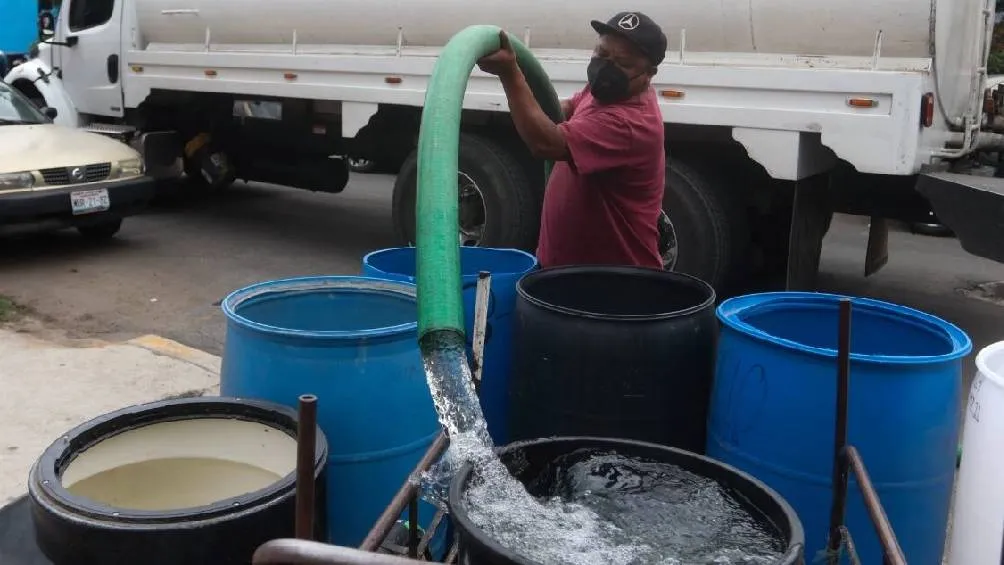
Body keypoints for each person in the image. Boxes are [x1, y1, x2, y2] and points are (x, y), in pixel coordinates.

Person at [477, 12, 668, 269]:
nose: (607, 67)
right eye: (602, 53)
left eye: (623, 62)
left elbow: (546, 144)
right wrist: (524, 81)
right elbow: (561, 110)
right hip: (570, 271)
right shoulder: (605, 91)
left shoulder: (630, 123)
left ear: (649, 74)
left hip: (613, 278)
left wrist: (510, 74)